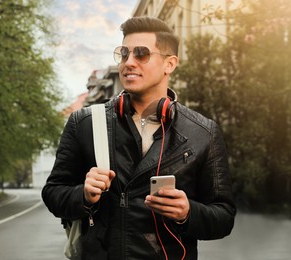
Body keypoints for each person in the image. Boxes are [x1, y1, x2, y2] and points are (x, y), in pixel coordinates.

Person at [42, 16, 236, 260]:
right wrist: (83, 195)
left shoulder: (203, 132)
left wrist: (188, 212)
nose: (129, 63)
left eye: (141, 54)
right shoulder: (85, 123)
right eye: (124, 54)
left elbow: (224, 217)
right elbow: (53, 193)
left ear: (170, 64)